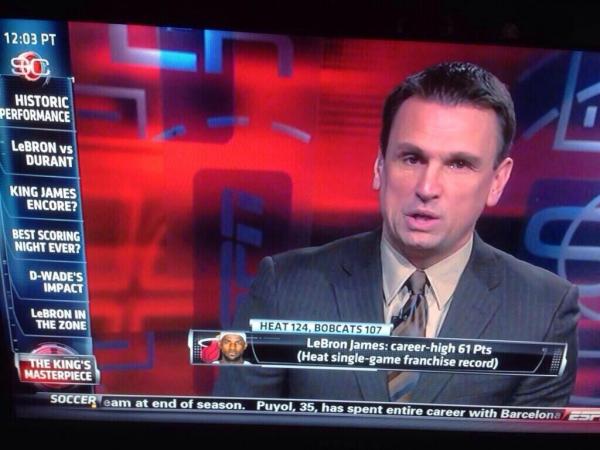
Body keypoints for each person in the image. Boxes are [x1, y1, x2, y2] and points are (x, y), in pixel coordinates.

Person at [214, 61, 579, 406]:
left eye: (458, 164)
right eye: (412, 158)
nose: (427, 187)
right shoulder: (284, 286)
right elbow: (233, 428)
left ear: (497, 181)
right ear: (379, 166)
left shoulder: (544, 310)